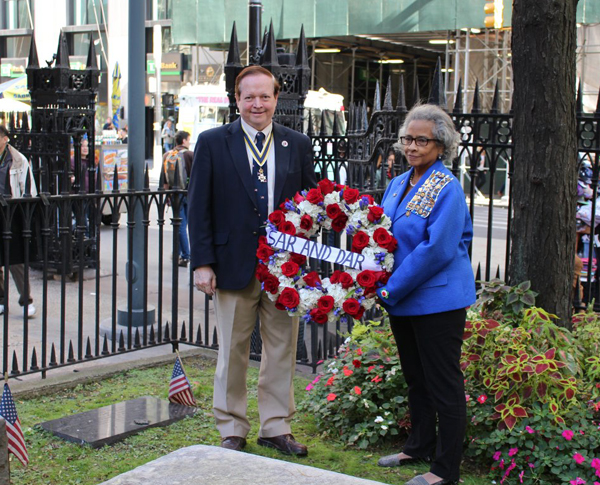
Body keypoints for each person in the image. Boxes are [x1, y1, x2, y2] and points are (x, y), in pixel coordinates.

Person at [188, 65, 316, 455]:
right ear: (236, 99)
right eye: (249, 96)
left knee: (282, 348)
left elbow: (310, 204)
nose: (257, 103)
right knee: (231, 349)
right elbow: (199, 207)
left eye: (265, 96)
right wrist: (202, 262)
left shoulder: (298, 143)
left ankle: (276, 425)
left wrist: (305, 242)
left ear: (276, 99)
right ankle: (232, 426)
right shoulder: (212, 142)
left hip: (284, 268)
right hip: (231, 265)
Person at [375, 104, 476, 485]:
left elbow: (437, 249)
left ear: (441, 145)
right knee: (416, 377)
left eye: (422, 140)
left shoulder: (446, 187)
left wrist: (390, 288)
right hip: (402, 298)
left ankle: (445, 470)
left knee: (443, 384)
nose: (412, 147)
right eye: (407, 139)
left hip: (437, 300)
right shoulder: (399, 183)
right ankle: (417, 445)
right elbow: (381, 233)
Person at [0, 125, 38, 318]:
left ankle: (26, 300)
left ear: (5, 138)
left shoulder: (18, 159)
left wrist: (25, 215)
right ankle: (0, 300)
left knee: (16, 261)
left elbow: (29, 189)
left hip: (12, 214)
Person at [163, 130, 193, 267]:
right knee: (183, 225)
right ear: (184, 141)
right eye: (188, 139)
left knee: (179, 224)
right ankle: (186, 255)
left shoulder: (168, 155)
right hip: (188, 193)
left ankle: (179, 252)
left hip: (175, 194)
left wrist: (167, 194)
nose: (189, 142)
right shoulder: (190, 155)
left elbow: (164, 179)